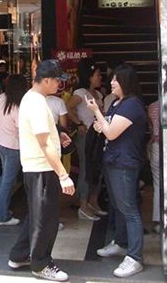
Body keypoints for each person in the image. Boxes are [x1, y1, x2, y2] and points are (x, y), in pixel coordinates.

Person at [8, 59, 74, 283]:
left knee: (38, 216)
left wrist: (57, 133)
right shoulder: (36, 103)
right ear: (46, 80)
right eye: (57, 81)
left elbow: (43, 133)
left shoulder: (33, 98)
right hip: (42, 169)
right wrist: (63, 175)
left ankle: (19, 255)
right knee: (46, 220)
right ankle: (41, 264)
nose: (59, 85)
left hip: (37, 168)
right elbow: (44, 143)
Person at [87, 63, 147, 278]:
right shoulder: (117, 103)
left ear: (125, 82)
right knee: (118, 206)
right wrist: (100, 123)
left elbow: (111, 133)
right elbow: (108, 126)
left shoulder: (132, 105)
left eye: (115, 80)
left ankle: (135, 257)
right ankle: (121, 243)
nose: (111, 82)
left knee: (129, 210)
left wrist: (96, 112)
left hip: (124, 163)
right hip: (113, 161)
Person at [66, 59, 105, 220]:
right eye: (97, 74)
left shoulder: (99, 94)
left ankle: (93, 202)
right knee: (86, 169)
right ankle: (83, 205)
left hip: (98, 136)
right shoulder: (80, 93)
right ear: (89, 76)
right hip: (86, 136)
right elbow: (68, 107)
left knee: (97, 169)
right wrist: (79, 123)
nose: (100, 77)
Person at [0, 74, 25, 226]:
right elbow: (21, 128)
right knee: (8, 180)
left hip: (0, 142)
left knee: (5, 177)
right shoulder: (17, 106)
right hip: (13, 146)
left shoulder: (1, 98)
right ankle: (1, 216)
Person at [148, 99, 160, 233]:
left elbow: (151, 127)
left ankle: (158, 220)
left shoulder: (152, 106)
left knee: (157, 184)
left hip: (156, 144)